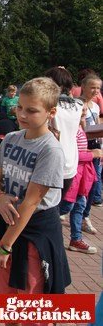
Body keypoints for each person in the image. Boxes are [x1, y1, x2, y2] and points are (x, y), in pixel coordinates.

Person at [0, 78, 71, 326]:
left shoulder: (50, 150)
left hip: (35, 234)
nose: (22, 115)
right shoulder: (11, 139)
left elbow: (31, 202)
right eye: (20, 107)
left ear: (51, 112)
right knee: (10, 309)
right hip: (8, 226)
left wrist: (4, 247)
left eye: (32, 110)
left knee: (34, 314)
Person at [58, 99, 98, 253]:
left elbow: (79, 150)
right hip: (73, 175)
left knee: (80, 206)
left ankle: (76, 239)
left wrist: (91, 152)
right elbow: (70, 154)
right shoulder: (71, 130)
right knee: (65, 207)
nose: (84, 113)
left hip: (82, 175)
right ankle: (38, 226)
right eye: (81, 110)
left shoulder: (79, 128)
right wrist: (93, 154)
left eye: (85, 110)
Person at [44, 67, 82, 202]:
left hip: (50, 160)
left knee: (43, 205)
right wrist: (64, 75)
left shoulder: (49, 106)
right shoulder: (79, 106)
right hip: (70, 162)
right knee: (57, 203)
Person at [81, 74, 103, 236]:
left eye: (98, 88)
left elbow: (96, 125)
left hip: (95, 147)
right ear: (83, 87)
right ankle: (66, 210)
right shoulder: (77, 104)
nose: (96, 91)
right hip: (82, 147)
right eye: (93, 87)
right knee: (76, 184)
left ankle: (85, 216)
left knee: (94, 182)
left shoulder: (95, 106)